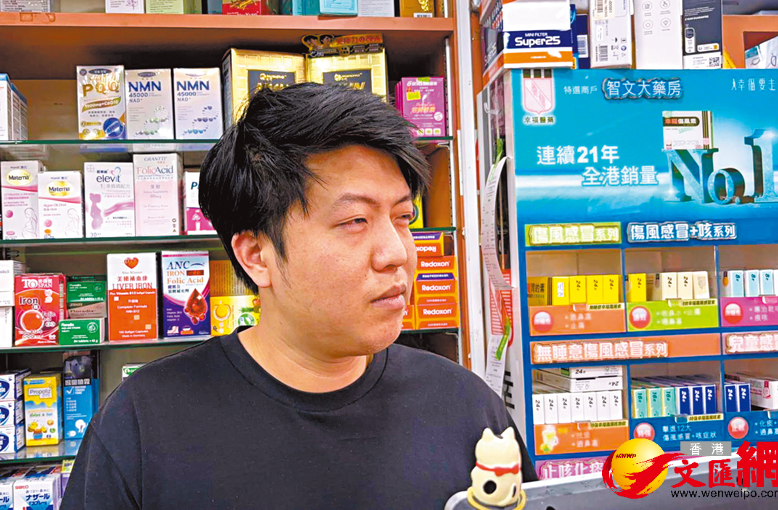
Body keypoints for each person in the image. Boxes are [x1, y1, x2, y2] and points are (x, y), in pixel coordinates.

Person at [61, 83, 536, 510]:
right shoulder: (142, 424)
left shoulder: (465, 405)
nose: (397, 254)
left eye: (402, 218)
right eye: (355, 221)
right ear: (256, 255)